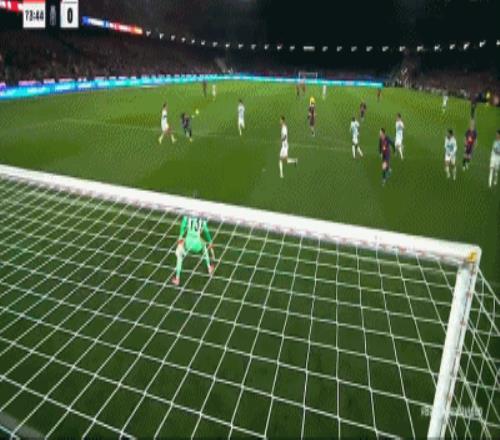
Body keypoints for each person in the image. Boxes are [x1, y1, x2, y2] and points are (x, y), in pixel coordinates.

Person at [172, 216, 215, 286]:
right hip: (197, 245)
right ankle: (209, 267)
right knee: (204, 245)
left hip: (188, 243)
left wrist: (180, 236)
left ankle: (177, 278)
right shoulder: (202, 218)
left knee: (179, 255)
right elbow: (206, 231)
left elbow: (183, 226)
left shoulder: (187, 215)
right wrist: (210, 241)